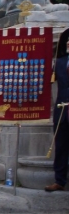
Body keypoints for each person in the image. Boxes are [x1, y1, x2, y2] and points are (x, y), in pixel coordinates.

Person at [46, 28, 69, 192]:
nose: (68, 43)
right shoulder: (60, 62)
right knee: (60, 146)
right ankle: (59, 180)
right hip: (62, 109)